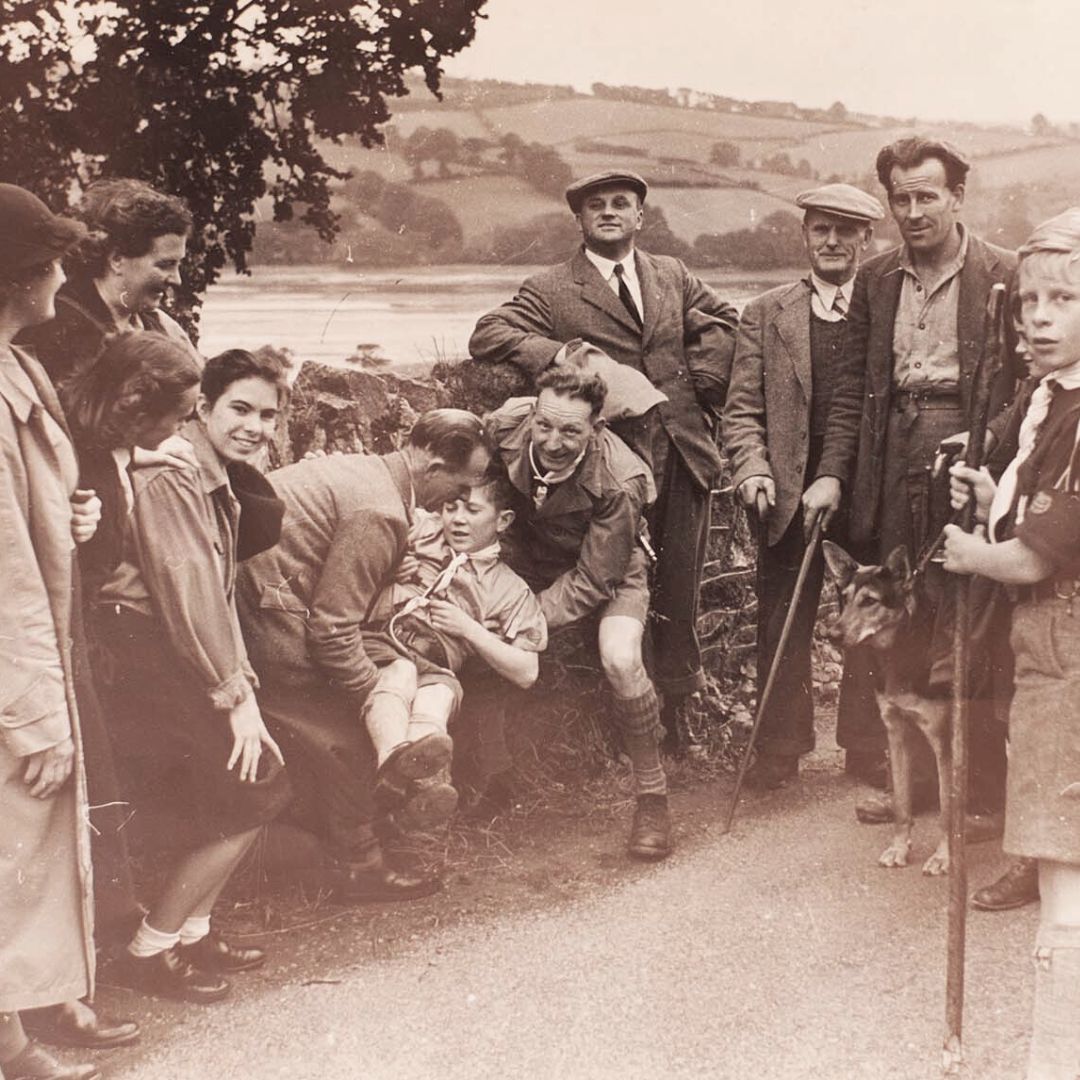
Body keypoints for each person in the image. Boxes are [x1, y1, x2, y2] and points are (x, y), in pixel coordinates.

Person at [469, 169, 738, 735]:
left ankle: (679, 709)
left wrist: (706, 381)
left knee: (681, 587)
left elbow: (721, 320)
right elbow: (490, 333)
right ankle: (621, 722)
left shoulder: (671, 273)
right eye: (597, 205)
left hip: (682, 451)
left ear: (641, 217)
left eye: (622, 204)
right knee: (614, 581)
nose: (610, 212)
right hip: (609, 461)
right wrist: (569, 359)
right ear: (581, 219)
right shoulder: (552, 287)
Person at [821, 136, 1017, 825]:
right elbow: (851, 389)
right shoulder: (875, 280)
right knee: (900, 608)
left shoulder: (1003, 272)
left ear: (957, 197)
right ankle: (913, 784)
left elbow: (1025, 387)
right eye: (899, 198)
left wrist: (987, 445)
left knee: (967, 614)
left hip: (968, 457)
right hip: (891, 451)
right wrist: (831, 477)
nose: (912, 210)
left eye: (926, 195)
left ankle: (984, 795)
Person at [92, 348, 291, 1004]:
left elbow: (213, 586)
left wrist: (241, 686)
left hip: (171, 647)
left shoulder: (210, 471)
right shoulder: (175, 473)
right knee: (253, 789)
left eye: (268, 414)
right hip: (146, 651)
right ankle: (150, 949)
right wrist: (236, 695)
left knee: (253, 785)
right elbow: (188, 589)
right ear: (201, 408)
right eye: (239, 408)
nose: (255, 426)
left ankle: (191, 933)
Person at [236, 409, 491, 902]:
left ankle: (399, 776)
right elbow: (331, 634)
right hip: (265, 630)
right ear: (434, 465)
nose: (459, 497)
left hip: (261, 609)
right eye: (463, 483)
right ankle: (364, 865)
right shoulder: (381, 511)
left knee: (410, 682)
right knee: (355, 723)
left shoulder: (368, 472)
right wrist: (372, 697)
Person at [942, 207, 1080, 1079]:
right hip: (1050, 639)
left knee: (1063, 857)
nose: (1037, 315)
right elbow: (1037, 515)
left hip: (1067, 643)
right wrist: (994, 489)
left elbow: (1036, 558)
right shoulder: (1049, 402)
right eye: (1029, 298)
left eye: (1063, 298)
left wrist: (973, 552)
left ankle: (1056, 1059)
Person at [722, 183, 886, 789]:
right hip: (788, 494)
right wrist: (752, 468)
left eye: (846, 230)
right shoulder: (767, 313)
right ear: (805, 235)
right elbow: (740, 410)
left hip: (865, 492)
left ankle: (868, 747)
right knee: (781, 621)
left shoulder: (882, 308)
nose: (833, 241)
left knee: (870, 614)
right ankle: (780, 748)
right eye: (821, 228)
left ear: (867, 238)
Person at [0, 182, 107, 1080]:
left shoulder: (19, 367)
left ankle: (11, 1041)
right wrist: (34, 713)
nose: (67, 274)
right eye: (56, 259)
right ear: (20, 277)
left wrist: (66, 511)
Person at [484, 364, 672, 859]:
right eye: (544, 425)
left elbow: (594, 579)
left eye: (571, 431)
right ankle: (489, 776)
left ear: (597, 428)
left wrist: (520, 617)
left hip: (608, 569)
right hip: (531, 555)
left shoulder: (620, 478)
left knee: (620, 659)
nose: (551, 441)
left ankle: (652, 795)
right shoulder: (507, 426)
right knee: (469, 623)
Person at [362, 462, 547, 829]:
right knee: (399, 674)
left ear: (503, 521)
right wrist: (394, 560)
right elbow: (371, 500)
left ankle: (406, 784)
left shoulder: (509, 590)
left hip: (437, 665)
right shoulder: (424, 530)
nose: (457, 519)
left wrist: (471, 631)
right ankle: (395, 766)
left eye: (472, 510)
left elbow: (527, 672)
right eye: (451, 506)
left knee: (439, 697)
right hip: (379, 640)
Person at [20, 178, 196, 387]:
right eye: (165, 265)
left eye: (178, 264)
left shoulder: (160, 325)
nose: (177, 279)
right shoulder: (59, 330)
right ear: (117, 260)